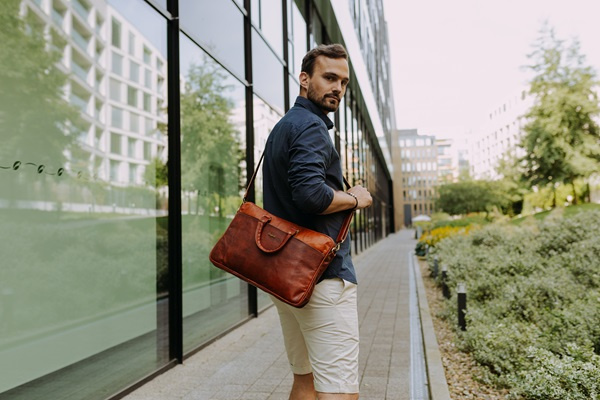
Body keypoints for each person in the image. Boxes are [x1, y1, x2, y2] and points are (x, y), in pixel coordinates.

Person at [263, 44, 372, 400]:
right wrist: (355, 198)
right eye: (329, 78)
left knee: (306, 381)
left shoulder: (284, 126)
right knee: (339, 393)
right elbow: (310, 195)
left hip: (285, 275)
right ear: (305, 79)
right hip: (320, 279)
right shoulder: (310, 126)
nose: (338, 88)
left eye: (343, 82)